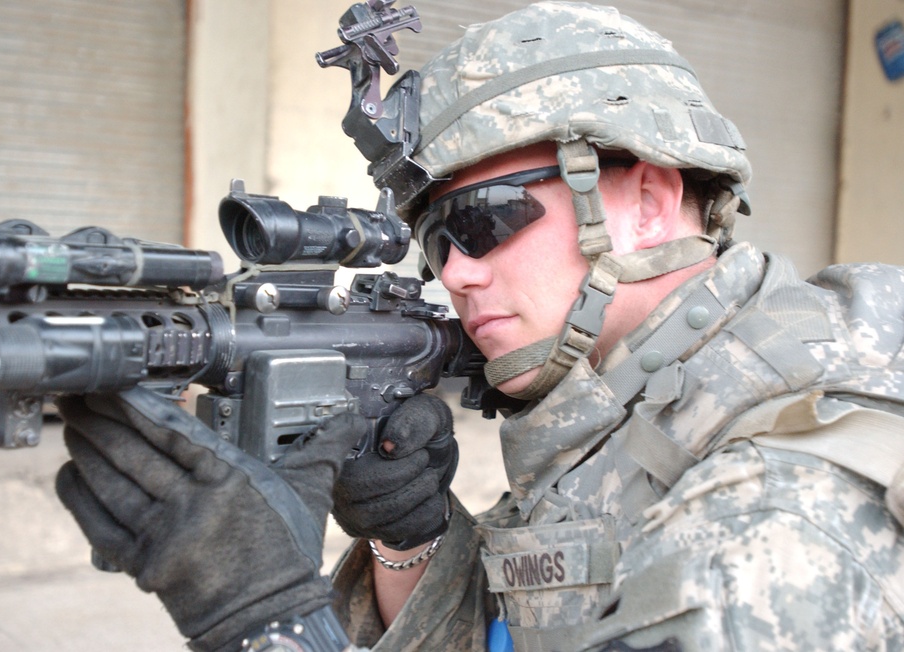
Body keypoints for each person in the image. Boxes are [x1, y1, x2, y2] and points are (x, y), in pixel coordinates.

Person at [55, 2, 904, 651]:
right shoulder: (642, 393)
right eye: (432, 240)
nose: (455, 271)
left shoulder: (772, 516)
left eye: (485, 218)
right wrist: (410, 539)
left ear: (647, 200)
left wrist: (261, 618)